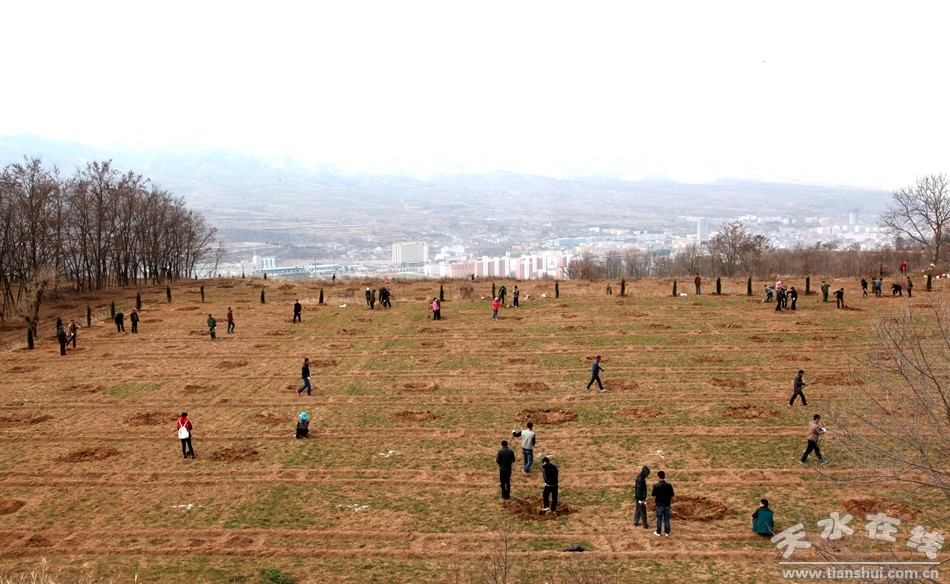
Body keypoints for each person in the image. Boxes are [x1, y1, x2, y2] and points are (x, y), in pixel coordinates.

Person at [651, 470, 675, 536]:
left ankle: (658, 532)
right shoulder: (669, 485)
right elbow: (672, 494)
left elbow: (653, 494)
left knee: (659, 519)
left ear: (658, 477)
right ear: (664, 476)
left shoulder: (656, 486)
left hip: (659, 505)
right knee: (667, 519)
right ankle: (667, 532)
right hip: (667, 504)